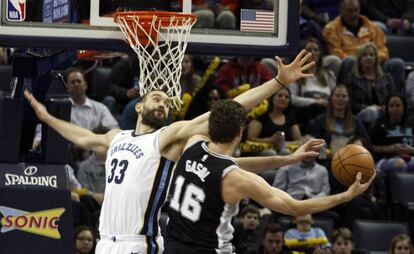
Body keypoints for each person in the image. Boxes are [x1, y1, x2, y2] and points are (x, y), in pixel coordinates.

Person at [25, 50, 316, 254]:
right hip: (106, 243)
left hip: (140, 243)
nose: (163, 104)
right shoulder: (116, 136)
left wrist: (278, 82)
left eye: (166, 102)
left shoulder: (166, 139)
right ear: (139, 106)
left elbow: (232, 108)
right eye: (156, 98)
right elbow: (84, 137)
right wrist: (48, 118)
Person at [163, 99, 375, 254]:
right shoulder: (236, 179)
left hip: (172, 245)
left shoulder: (193, 144)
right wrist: (347, 195)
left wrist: (288, 159)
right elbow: (296, 208)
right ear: (240, 133)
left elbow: (229, 163)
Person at [323, 0, 405, 86]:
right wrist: (360, 61)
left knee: (397, 63)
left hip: (374, 65)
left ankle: (395, 97)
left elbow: (383, 50)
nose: (354, 14)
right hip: (351, 65)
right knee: (350, 61)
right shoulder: (331, 29)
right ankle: (348, 94)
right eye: (350, 11)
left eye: (356, 10)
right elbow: (335, 51)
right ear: (341, 11)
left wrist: (372, 60)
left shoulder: (373, 27)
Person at [344, 43, 395, 127]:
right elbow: (350, 104)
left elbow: (393, 99)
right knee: (371, 112)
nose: (368, 57)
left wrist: (385, 107)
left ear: (376, 59)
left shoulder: (387, 78)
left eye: (371, 55)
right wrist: (370, 107)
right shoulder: (351, 79)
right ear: (360, 59)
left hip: (385, 113)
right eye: (365, 55)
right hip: (360, 117)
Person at [247, 87, 301, 156]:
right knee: (271, 153)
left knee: (286, 152)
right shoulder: (262, 115)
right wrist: (270, 140)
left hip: (284, 149)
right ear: (272, 98)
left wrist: (282, 142)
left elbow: (298, 141)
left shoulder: (290, 117)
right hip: (263, 149)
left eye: (287, 97)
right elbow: (251, 138)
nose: (283, 99)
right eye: (280, 95)